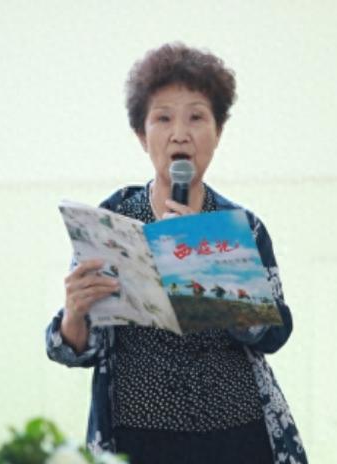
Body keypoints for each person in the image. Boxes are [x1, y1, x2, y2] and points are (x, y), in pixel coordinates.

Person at [45, 43, 307, 464]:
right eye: (163, 118)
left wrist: (207, 268)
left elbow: (275, 333)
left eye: (197, 117)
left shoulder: (241, 227)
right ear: (141, 135)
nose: (180, 133)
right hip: (138, 436)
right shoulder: (110, 220)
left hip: (237, 434)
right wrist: (74, 314)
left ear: (218, 133)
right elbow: (75, 349)